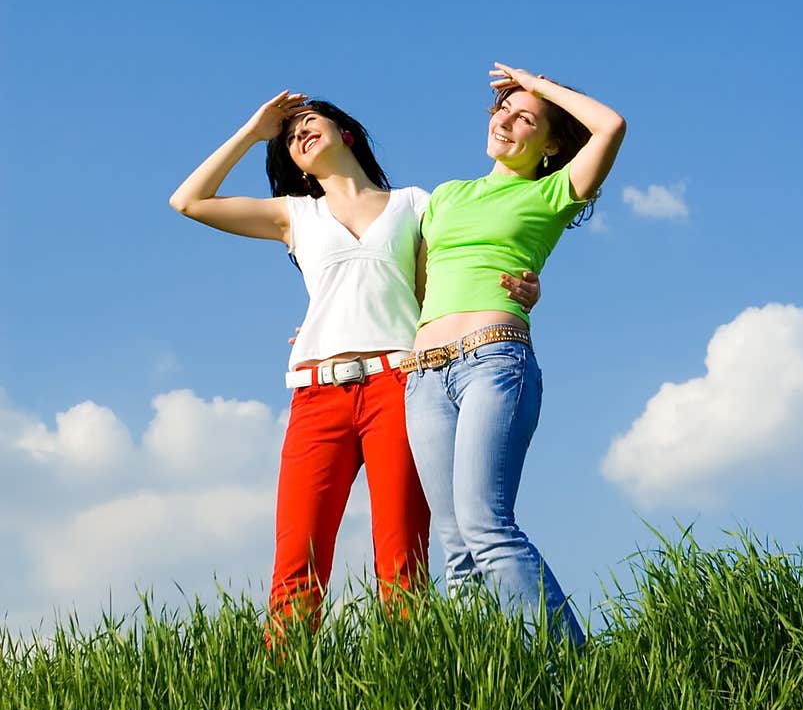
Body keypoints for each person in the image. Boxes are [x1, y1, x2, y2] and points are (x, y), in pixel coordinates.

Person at [169, 90, 540, 634]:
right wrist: (253, 132)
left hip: (401, 385)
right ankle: (281, 692)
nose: (297, 134)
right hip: (317, 395)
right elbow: (189, 201)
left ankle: (405, 682)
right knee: (298, 559)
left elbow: (466, 259)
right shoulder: (294, 215)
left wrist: (523, 288)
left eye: (308, 122)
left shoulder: (417, 203)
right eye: (289, 135)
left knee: (402, 559)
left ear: (347, 133)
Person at [402, 61, 627, 647]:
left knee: (486, 526)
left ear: (550, 145)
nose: (505, 119)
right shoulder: (447, 197)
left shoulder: (553, 193)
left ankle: (579, 672)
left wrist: (536, 83)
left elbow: (610, 126)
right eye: (502, 108)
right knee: (454, 551)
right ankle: (492, 690)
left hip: (494, 364)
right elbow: (415, 284)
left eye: (525, 118)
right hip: (424, 377)